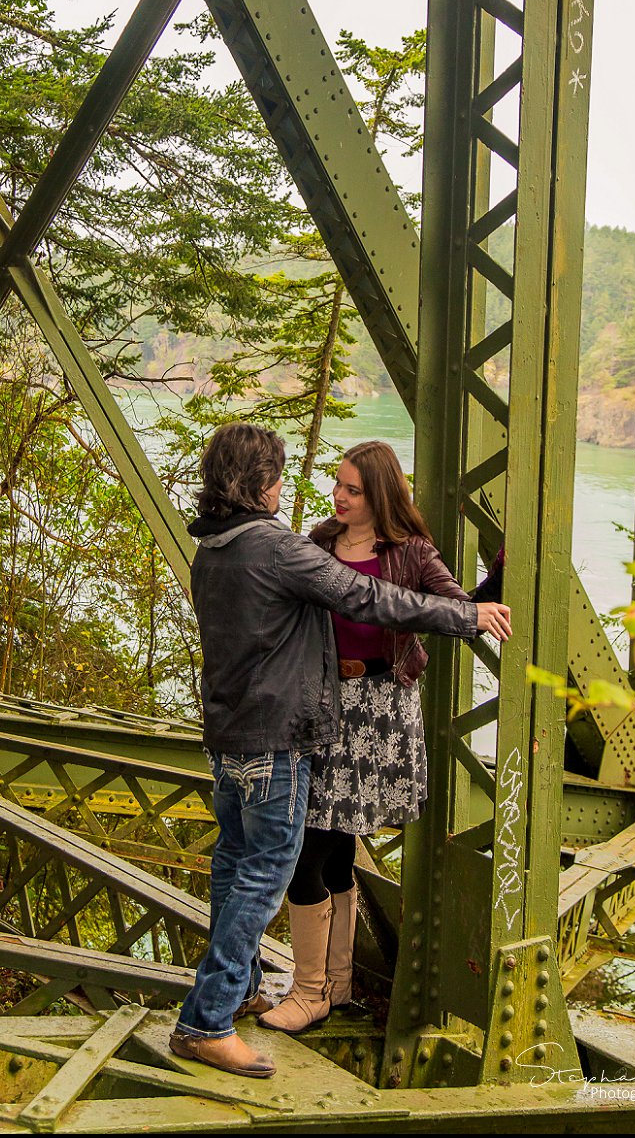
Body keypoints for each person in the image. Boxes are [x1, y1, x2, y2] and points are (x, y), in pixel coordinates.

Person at [169, 423, 512, 1078]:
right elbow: (363, 596)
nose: (308, 492)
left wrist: (475, 596)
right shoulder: (278, 545)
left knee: (234, 865)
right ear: (261, 485)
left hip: (231, 733)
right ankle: (205, 1021)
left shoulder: (211, 544)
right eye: (277, 478)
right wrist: (467, 618)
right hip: (276, 736)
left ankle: (241, 991)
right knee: (265, 873)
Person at [260, 440, 503, 1035]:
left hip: (379, 708)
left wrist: (504, 569)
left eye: (352, 489)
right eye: (336, 485)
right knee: (323, 843)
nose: (337, 497)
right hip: (318, 706)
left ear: (380, 495)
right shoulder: (317, 542)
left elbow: (460, 611)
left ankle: (313, 991)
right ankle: (331, 985)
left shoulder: (411, 553)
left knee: (318, 844)